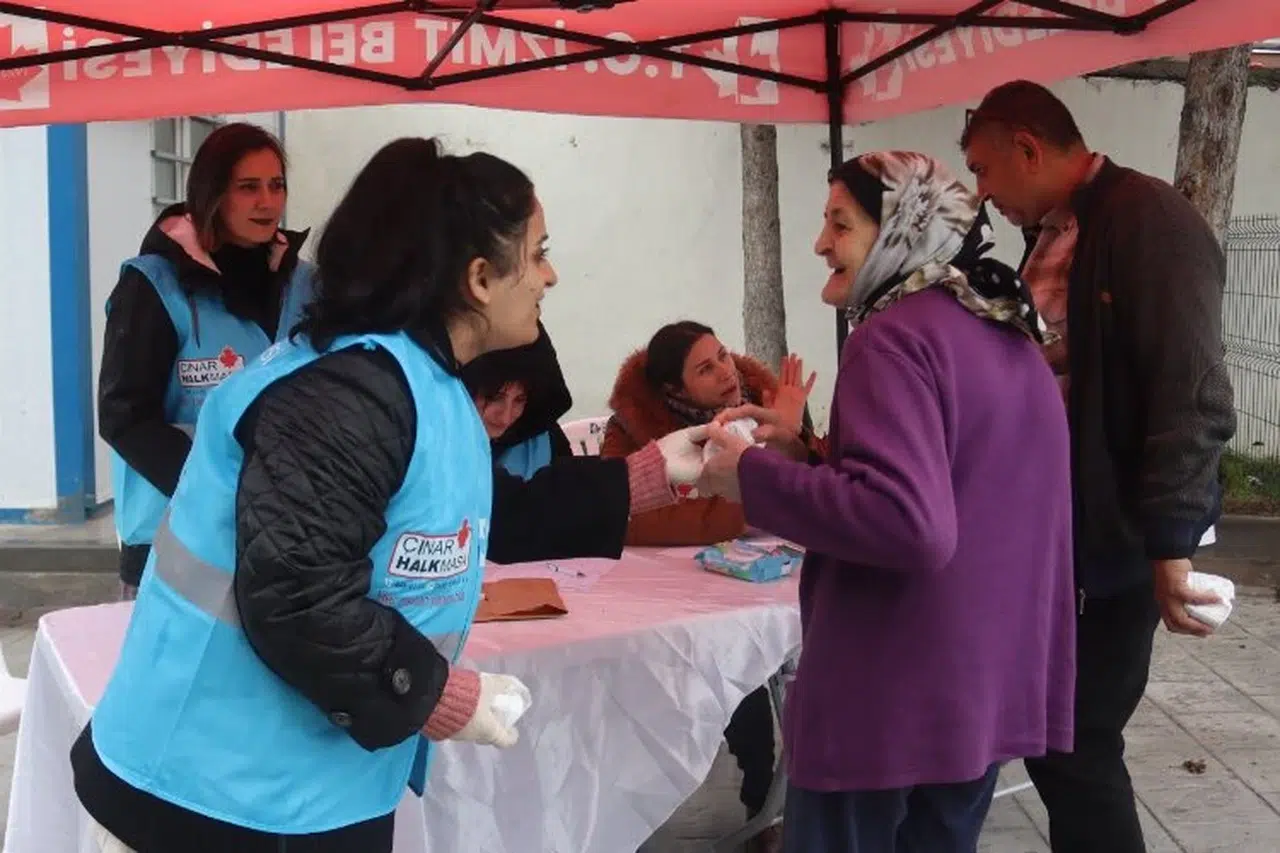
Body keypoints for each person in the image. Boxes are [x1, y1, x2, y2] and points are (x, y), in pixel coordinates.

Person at [71, 137, 708, 853]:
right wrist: (437, 695)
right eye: (537, 253)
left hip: (290, 784)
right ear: (478, 278)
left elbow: (479, 516)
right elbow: (299, 595)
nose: (549, 275)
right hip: (207, 792)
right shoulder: (347, 395)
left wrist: (653, 472)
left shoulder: (420, 380)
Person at [697, 151, 1077, 853]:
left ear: (905, 228)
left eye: (840, 224)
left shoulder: (892, 337)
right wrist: (806, 459)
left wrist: (750, 475)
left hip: (888, 691)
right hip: (979, 686)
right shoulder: (1001, 327)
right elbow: (960, 486)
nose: (820, 243)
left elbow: (911, 523)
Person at [959, 80, 1236, 853]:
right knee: (1060, 739)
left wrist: (1171, 545)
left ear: (1027, 148)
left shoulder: (1147, 220)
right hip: (1062, 535)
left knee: (1076, 742)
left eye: (984, 169)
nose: (982, 193)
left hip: (1116, 538)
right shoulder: (1057, 229)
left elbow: (1192, 390)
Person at [601, 321, 815, 853]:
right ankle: (759, 802)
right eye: (705, 368)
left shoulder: (768, 404)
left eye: (723, 355)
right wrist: (748, 508)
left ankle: (798, 802)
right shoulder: (633, 429)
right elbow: (626, 517)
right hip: (678, 594)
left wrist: (792, 442)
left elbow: (817, 487)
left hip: (777, 577)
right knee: (729, 664)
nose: (726, 372)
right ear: (673, 390)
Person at [98, 122, 316, 600]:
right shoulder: (155, 286)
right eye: (248, 187)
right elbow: (123, 417)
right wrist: (225, 491)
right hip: (172, 542)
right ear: (212, 193)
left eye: (276, 185)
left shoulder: (305, 285)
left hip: (279, 542)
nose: (267, 202)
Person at [462, 320, 574, 480]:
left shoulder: (547, 441)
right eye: (494, 398)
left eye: (520, 399)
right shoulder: (434, 447)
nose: (505, 417)